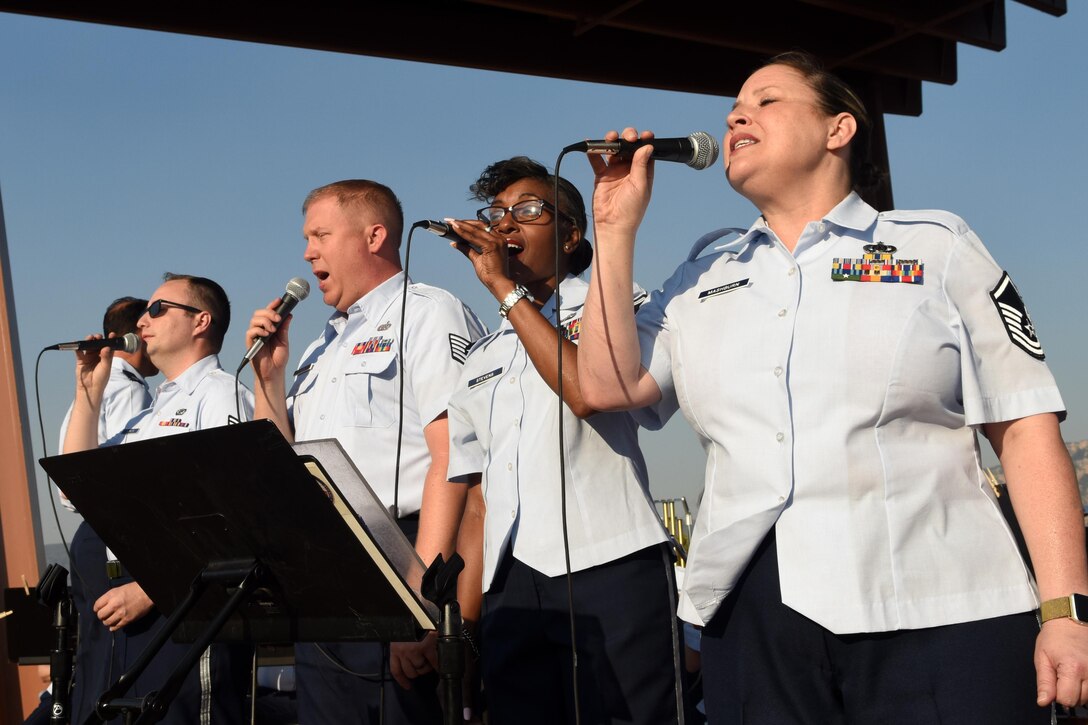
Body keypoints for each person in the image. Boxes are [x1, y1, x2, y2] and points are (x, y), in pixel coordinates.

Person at [576, 50, 1088, 724]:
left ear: (837, 129)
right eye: (734, 108)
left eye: (766, 101)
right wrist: (615, 230)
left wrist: (1066, 610)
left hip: (940, 608)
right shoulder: (699, 279)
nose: (736, 115)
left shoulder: (935, 247)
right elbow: (607, 383)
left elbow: (1024, 427)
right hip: (757, 623)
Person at [438, 157, 679, 725]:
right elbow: (477, 502)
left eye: (527, 211)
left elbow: (588, 392)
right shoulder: (481, 356)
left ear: (572, 234)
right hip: (513, 584)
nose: (505, 227)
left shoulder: (612, 306)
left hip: (611, 564)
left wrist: (502, 286)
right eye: (496, 215)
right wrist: (467, 628)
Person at [244, 179, 485, 724]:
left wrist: (419, 606)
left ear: (374, 236)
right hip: (326, 576)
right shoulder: (318, 346)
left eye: (320, 235)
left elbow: (453, 460)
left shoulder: (428, 313)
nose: (308, 253)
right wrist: (269, 379)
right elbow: (281, 470)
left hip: (402, 557)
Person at [64, 273, 254, 724]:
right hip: (124, 626)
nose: (143, 321)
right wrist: (88, 394)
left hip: (180, 616)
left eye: (158, 309)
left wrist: (154, 588)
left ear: (200, 321)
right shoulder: (149, 414)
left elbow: (232, 514)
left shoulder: (223, 394)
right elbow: (79, 486)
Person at [56, 296, 158, 725]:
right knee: (126, 665)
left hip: (90, 540)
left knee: (96, 661)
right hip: (117, 540)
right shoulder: (130, 392)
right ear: (135, 334)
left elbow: (67, 486)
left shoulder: (93, 392)